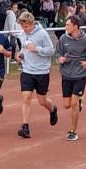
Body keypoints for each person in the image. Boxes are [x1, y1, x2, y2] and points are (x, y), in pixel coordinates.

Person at [55, 15, 86, 141]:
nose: (66, 27)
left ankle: (73, 131)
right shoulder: (63, 38)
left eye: (68, 25)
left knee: (74, 104)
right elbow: (57, 52)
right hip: (66, 75)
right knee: (66, 105)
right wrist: (60, 59)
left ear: (75, 26)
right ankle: (79, 101)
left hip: (80, 75)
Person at [14, 11, 58, 139]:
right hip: (27, 71)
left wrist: (37, 49)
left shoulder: (42, 34)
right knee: (26, 98)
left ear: (32, 23)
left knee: (42, 101)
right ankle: (25, 127)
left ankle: (52, 109)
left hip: (41, 72)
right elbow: (23, 48)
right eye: (22, 26)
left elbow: (51, 51)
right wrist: (20, 55)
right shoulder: (22, 34)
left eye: (26, 26)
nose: (24, 28)